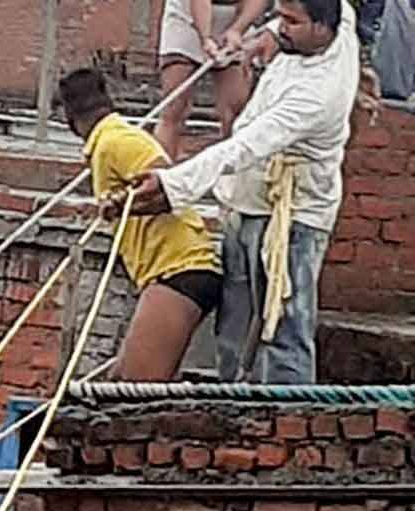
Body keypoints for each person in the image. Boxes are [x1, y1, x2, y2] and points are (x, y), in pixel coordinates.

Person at [130, 0, 360, 384]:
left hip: (293, 219)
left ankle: (288, 424)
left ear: (324, 28)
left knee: (284, 331)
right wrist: (258, 36)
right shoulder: (336, 18)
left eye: (292, 22)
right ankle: (231, 416)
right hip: (245, 204)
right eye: (281, 17)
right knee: (234, 326)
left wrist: (173, 185)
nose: (282, 27)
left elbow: (246, 145)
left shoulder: (318, 95)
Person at [60, 68, 222, 381]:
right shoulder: (110, 141)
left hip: (180, 270)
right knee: (116, 379)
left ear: (69, 118)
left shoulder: (114, 140)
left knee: (135, 389)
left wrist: (124, 204)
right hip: (168, 272)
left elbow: (164, 177)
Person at [155, 0, 271, 159]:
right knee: (174, 106)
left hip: (235, 18)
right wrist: (205, 38)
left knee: (237, 110)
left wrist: (237, 29)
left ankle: (234, 172)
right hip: (186, 18)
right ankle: (160, 170)